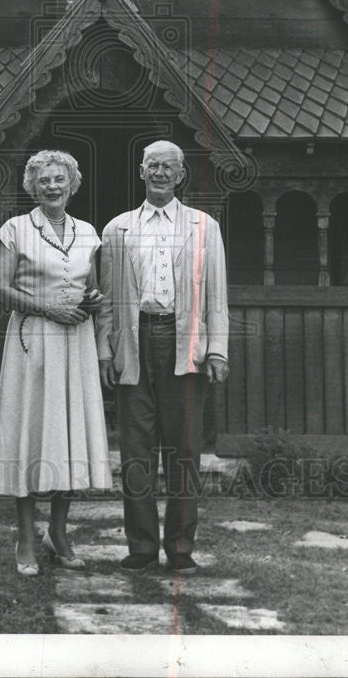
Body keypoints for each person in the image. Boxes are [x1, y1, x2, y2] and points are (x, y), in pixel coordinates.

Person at [96, 141, 229, 576]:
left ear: (180, 174)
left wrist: (217, 350)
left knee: (185, 449)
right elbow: (109, 301)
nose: (159, 172)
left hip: (184, 341)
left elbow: (216, 295)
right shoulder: (117, 229)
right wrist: (105, 352)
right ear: (141, 171)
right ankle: (140, 547)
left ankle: (179, 548)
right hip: (134, 344)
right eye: (152, 165)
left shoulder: (204, 227)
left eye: (167, 166)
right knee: (136, 450)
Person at [0, 150, 111, 577]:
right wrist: (46, 308)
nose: (53, 186)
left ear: (72, 185)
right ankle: (25, 535)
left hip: (75, 341)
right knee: (31, 432)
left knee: (67, 433)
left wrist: (93, 300)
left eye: (60, 179)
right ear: (33, 187)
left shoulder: (89, 233)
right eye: (44, 181)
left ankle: (58, 532)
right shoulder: (16, 229)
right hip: (32, 342)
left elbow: (91, 287)